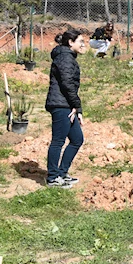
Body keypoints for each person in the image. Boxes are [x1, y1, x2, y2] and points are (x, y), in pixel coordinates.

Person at [45, 30, 88, 188]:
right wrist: (76, 105)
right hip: (60, 105)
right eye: (80, 41)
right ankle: (52, 177)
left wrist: (77, 108)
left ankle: (62, 173)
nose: (83, 45)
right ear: (70, 42)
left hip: (66, 104)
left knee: (77, 139)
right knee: (58, 141)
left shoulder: (67, 57)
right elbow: (67, 84)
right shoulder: (65, 58)